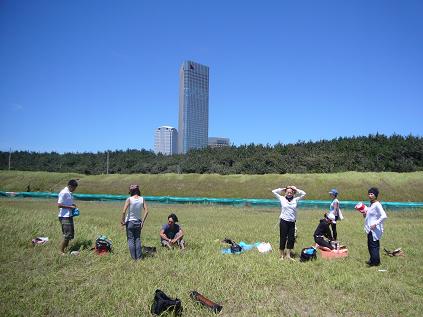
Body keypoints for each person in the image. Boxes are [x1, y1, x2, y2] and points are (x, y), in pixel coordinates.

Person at [272, 185, 306, 260]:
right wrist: (283, 189)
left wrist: (295, 189)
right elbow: (273, 191)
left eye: (291, 192)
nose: (289, 194)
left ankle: (288, 255)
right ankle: (281, 255)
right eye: (288, 192)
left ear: (293, 193)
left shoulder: (295, 200)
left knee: (291, 239)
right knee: (283, 238)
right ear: (285, 192)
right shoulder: (282, 198)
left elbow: (304, 193)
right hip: (283, 221)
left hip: (292, 222)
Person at [121, 184, 149, 260]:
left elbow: (124, 211)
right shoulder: (142, 199)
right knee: (137, 239)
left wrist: (122, 220)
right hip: (138, 222)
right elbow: (146, 211)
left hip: (130, 222)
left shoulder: (129, 199)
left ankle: (134, 258)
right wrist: (142, 222)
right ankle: (139, 258)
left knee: (130, 240)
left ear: (131, 191)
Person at [364, 187, 388, 267]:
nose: (370, 195)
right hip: (370, 229)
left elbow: (384, 216)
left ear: (375, 195)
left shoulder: (377, 204)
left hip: (374, 229)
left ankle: (375, 263)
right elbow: (371, 216)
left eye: (372, 194)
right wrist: (365, 214)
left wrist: (376, 224)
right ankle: (373, 260)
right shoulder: (371, 204)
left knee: (373, 246)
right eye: (369, 194)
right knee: (371, 245)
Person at [57, 179, 78, 255]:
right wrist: (70, 207)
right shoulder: (63, 192)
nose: (74, 190)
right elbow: (59, 205)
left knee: (70, 234)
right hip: (64, 216)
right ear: (69, 186)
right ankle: (61, 251)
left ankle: (66, 249)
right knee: (67, 235)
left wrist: (73, 205)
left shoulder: (69, 193)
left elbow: (68, 203)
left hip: (69, 215)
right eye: (73, 188)